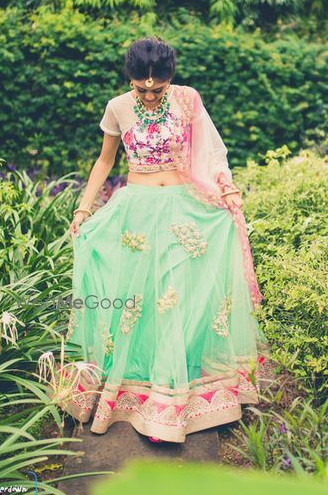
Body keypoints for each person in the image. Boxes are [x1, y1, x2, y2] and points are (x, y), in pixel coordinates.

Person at [43, 36, 269, 444]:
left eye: (157, 87)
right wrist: (83, 209)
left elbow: (212, 152)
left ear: (170, 78)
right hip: (138, 211)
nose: (148, 94)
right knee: (136, 301)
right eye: (140, 86)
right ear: (129, 78)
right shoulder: (117, 107)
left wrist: (226, 187)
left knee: (177, 297)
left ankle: (175, 398)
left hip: (184, 208)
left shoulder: (187, 100)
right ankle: (129, 392)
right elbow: (105, 160)